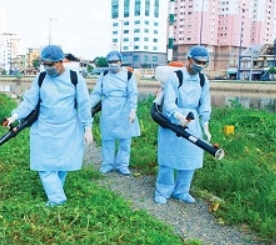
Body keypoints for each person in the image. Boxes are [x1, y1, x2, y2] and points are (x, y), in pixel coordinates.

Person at [3, 45, 93, 207]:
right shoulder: (41, 78)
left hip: (68, 128)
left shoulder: (75, 78)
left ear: (61, 62)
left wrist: (88, 128)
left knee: (62, 163)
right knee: (44, 164)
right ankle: (57, 199)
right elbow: (30, 101)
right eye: (45, 64)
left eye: (51, 64)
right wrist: (14, 116)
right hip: (44, 127)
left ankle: (56, 191)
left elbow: (84, 104)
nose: (47, 67)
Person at [154, 45, 212, 204]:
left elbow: (205, 103)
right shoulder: (176, 77)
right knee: (168, 157)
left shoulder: (202, 80)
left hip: (192, 121)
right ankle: (163, 190)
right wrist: (178, 116)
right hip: (173, 121)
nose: (200, 65)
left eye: (204, 63)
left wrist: (205, 123)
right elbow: (169, 102)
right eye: (198, 62)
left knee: (190, 158)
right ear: (189, 59)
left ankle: (181, 191)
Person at [89, 50, 140, 175]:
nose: (113, 64)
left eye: (115, 62)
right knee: (107, 139)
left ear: (121, 62)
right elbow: (97, 93)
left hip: (125, 108)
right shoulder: (104, 75)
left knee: (125, 139)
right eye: (110, 62)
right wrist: (87, 106)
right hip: (108, 108)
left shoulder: (128, 75)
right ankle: (107, 164)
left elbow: (133, 93)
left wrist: (133, 109)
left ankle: (122, 164)